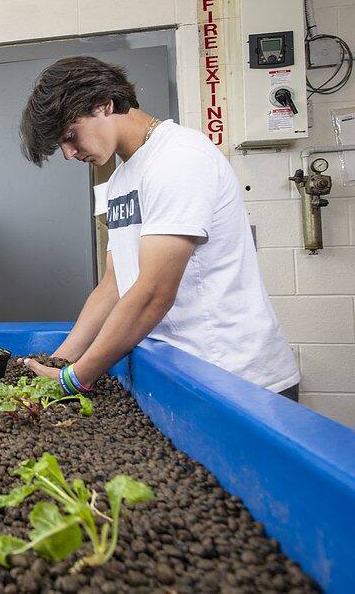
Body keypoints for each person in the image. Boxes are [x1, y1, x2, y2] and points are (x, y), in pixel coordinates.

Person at [17, 56, 300, 400]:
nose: (68, 153)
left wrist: (76, 378)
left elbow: (154, 292)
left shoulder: (178, 158)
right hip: (182, 372)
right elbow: (114, 284)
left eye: (70, 136)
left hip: (236, 376)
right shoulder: (120, 179)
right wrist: (59, 361)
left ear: (104, 104)